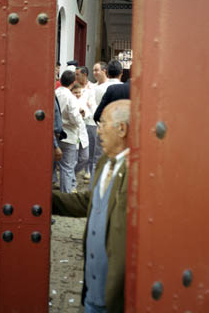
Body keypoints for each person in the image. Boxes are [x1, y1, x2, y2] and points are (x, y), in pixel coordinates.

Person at [53, 100, 130, 313]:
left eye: (103, 124)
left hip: (114, 296)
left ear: (122, 129)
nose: (99, 132)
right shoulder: (106, 161)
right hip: (92, 289)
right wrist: (47, 200)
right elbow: (91, 202)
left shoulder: (137, 172)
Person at [55, 70, 84, 193]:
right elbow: (74, 116)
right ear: (73, 82)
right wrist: (80, 120)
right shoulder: (70, 97)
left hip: (55, 135)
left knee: (60, 167)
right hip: (69, 134)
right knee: (67, 168)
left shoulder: (55, 93)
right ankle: (66, 195)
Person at [75, 66, 97, 181]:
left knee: (91, 148)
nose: (76, 76)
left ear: (84, 74)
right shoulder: (74, 88)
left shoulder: (92, 87)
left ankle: (88, 170)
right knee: (79, 150)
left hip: (90, 122)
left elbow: (93, 106)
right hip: (77, 123)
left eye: (77, 74)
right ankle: (76, 170)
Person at [71, 83, 90, 186]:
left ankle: (71, 173)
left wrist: (84, 113)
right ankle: (72, 182)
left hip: (82, 133)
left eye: (79, 92)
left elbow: (88, 113)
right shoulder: (70, 100)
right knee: (73, 160)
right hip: (73, 133)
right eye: (75, 92)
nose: (78, 94)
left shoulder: (83, 100)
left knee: (84, 157)